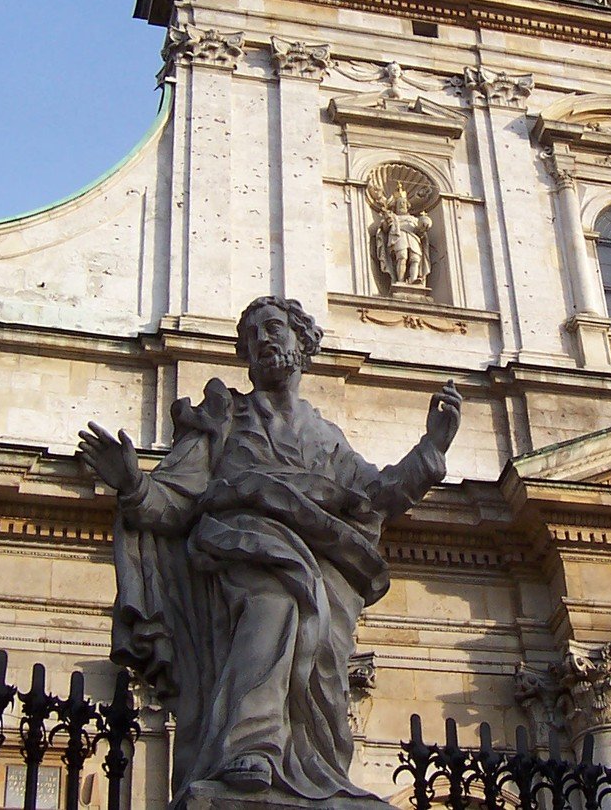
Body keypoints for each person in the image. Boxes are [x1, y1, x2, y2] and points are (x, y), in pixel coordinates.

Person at [77, 295, 461, 804]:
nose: (264, 340)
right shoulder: (224, 420)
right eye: (253, 334)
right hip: (242, 550)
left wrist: (430, 450)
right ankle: (251, 746)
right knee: (274, 603)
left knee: (318, 648)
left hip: (323, 563)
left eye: (274, 328)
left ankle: (315, 768)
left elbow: (376, 496)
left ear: (302, 344)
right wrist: (133, 485)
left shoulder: (325, 438)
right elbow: (172, 503)